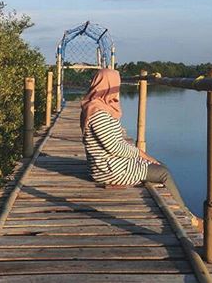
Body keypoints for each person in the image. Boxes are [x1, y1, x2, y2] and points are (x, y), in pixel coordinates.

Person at [80, 68, 201, 229]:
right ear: (108, 86)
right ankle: (188, 218)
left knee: (159, 165)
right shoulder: (98, 113)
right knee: (163, 172)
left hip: (111, 162)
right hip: (109, 169)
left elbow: (115, 144)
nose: (118, 90)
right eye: (116, 86)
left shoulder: (99, 107)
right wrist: (141, 153)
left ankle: (184, 212)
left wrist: (141, 156)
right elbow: (114, 147)